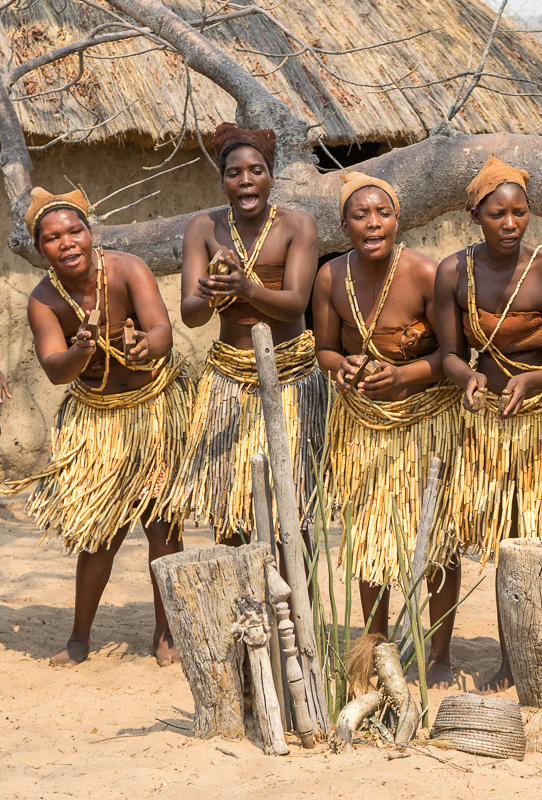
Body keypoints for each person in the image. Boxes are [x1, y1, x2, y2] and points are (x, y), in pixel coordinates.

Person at [4, 188, 191, 667]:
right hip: (99, 422)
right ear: (39, 247)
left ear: (90, 233)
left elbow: (162, 330)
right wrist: (80, 351)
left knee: (163, 528)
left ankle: (165, 633)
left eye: (74, 231)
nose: (66, 242)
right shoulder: (44, 299)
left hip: (153, 413)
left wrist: (148, 346)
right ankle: (79, 637)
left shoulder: (128, 269)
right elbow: (54, 368)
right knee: (100, 537)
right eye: (52, 238)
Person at [435, 154, 542, 692]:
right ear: (474, 216)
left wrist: (533, 381)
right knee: (502, 541)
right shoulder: (453, 272)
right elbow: (449, 353)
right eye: (497, 214)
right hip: (487, 425)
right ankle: (510, 658)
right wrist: (467, 378)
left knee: (539, 539)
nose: (510, 224)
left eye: (520, 213)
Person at [313, 172, 462, 686]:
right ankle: (376, 645)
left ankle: (439, 650)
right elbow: (325, 349)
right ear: (344, 225)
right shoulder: (331, 277)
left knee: (436, 536)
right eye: (360, 215)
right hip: (364, 427)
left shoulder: (426, 272)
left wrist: (405, 375)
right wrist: (344, 366)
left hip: (425, 424)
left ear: (398, 220)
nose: (372, 223)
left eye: (382, 213)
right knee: (372, 539)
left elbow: (452, 355)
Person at [160, 123, 327, 553]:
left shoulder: (298, 225)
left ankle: (298, 616)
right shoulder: (202, 227)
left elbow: (294, 304)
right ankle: (243, 614)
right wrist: (213, 291)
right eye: (234, 173)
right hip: (227, 379)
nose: (246, 180)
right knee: (229, 504)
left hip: (290, 377)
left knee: (292, 504)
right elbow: (191, 316)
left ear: (271, 176)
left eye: (256, 170)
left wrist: (247, 288)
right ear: (223, 182)